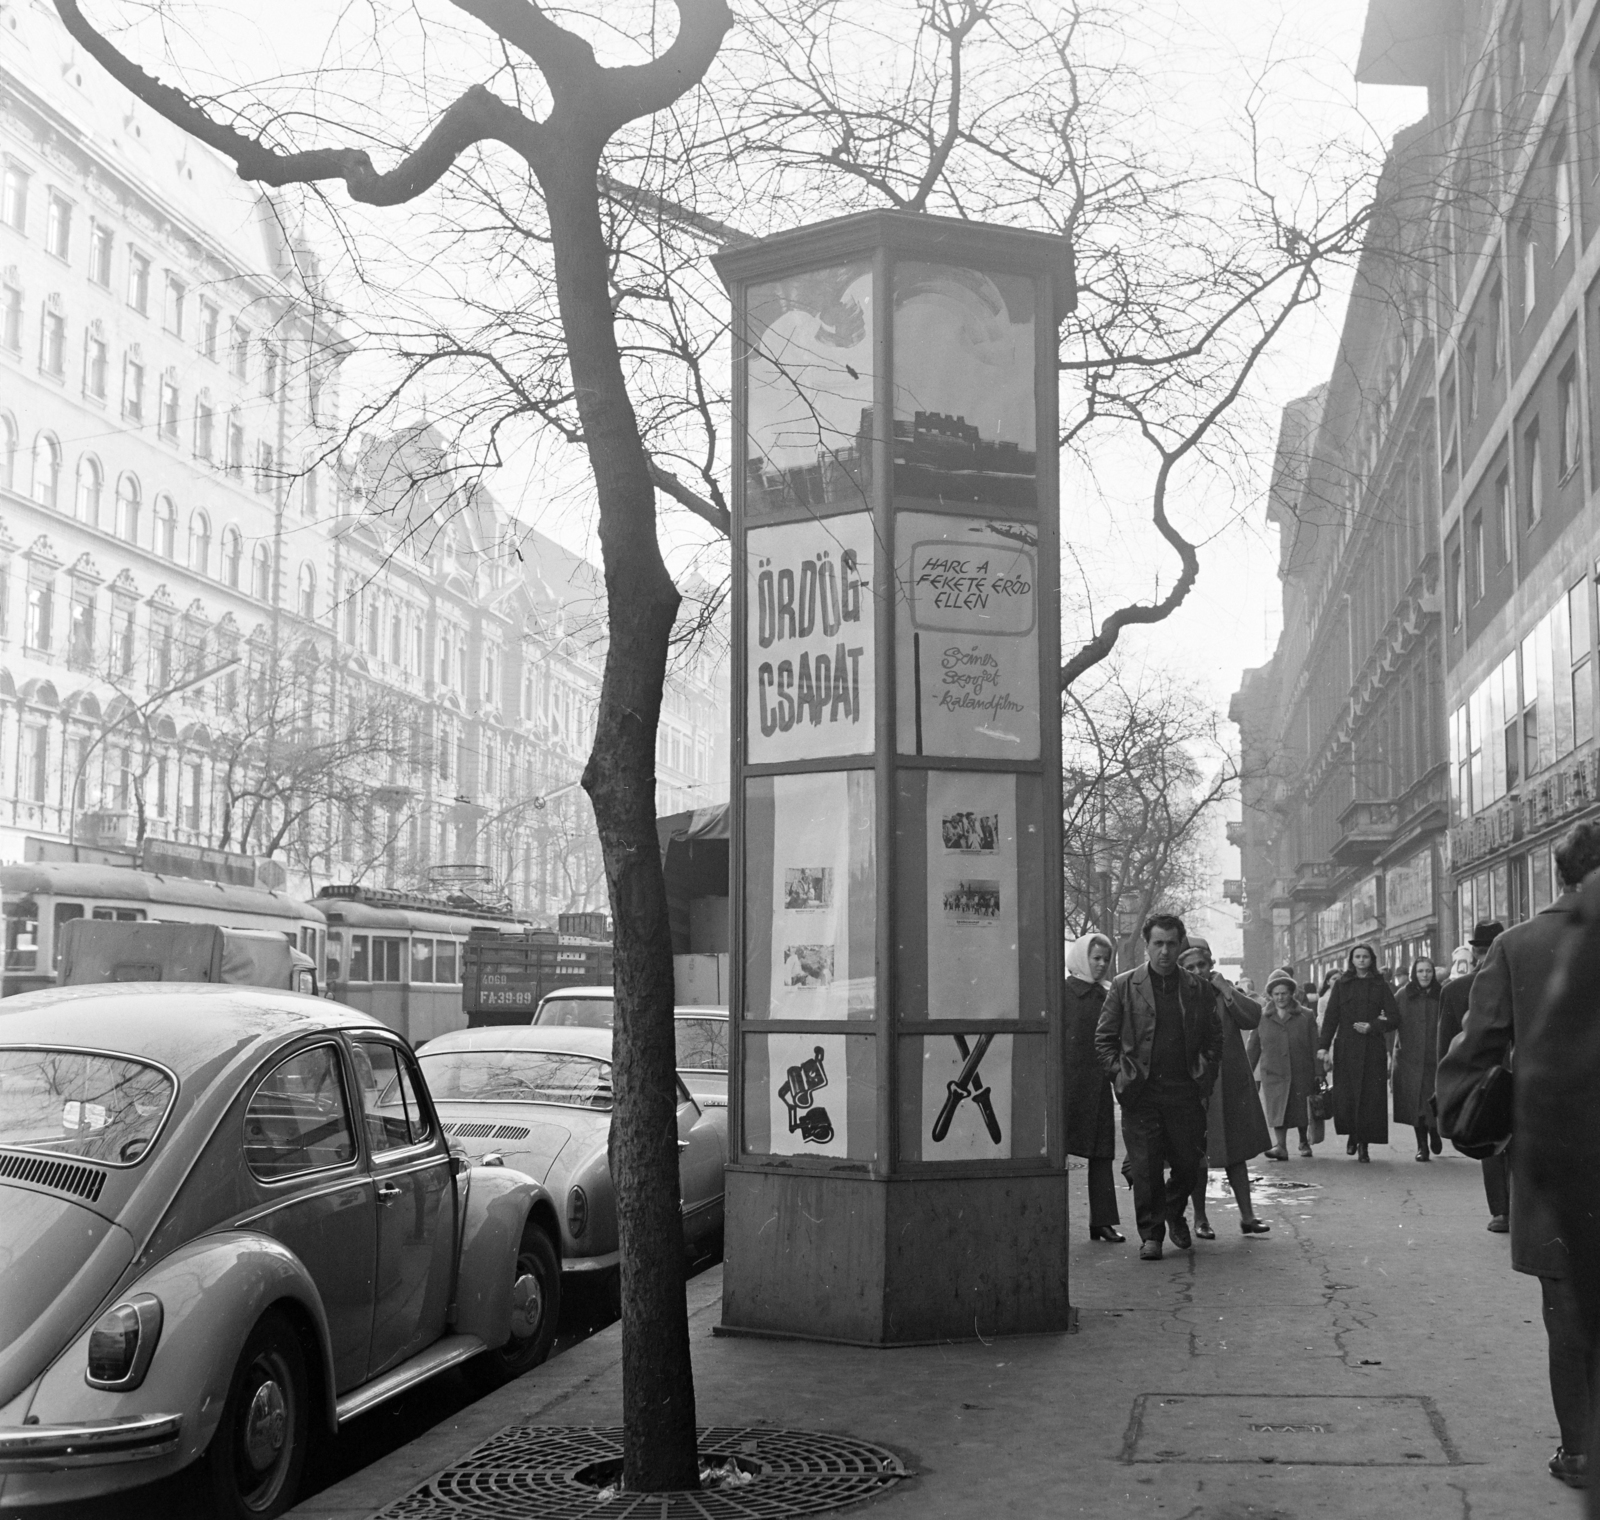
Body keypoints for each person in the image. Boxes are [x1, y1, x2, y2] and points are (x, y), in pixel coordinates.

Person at [1438, 821, 1600, 1492]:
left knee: (1567, 1310)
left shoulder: (1517, 946)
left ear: (1560, 876)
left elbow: (1470, 1062)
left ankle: (1581, 1452)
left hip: (1556, 1165)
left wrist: (1480, 1115)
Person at [1095, 913, 1225, 1262]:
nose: (1164, 951)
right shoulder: (1125, 986)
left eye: (1171, 944)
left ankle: (1172, 1208)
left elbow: (1214, 1037)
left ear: (1180, 945)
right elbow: (1104, 1039)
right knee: (1146, 1166)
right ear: (1146, 945)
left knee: (1188, 1162)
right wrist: (1120, 1075)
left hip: (1185, 1091)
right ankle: (1151, 1236)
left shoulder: (1197, 988)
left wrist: (1205, 1073)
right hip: (1142, 1092)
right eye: (1158, 944)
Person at [1178, 938, 1271, 1238]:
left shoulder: (1224, 992)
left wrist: (1227, 990)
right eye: (1189, 966)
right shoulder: (1178, 996)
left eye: (1201, 965)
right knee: (1198, 1155)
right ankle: (1200, 1219)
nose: (1197, 971)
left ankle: (1248, 1216)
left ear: (1211, 965)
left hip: (1229, 1084)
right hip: (1196, 1085)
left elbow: (1253, 1017)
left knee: (1236, 1153)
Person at [1439, 920, 1508, 1229]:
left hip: (1490, 1076)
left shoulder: (1457, 989)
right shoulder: (1457, 989)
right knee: (1506, 1143)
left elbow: (1446, 1046)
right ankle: (1508, 1211)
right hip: (1506, 1073)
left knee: (1495, 1141)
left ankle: (1503, 1211)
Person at [1064, 932, 1123, 1243]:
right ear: (1081, 958)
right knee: (1057, 1155)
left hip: (1098, 1085)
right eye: (1095, 958)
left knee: (1101, 1155)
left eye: (1105, 959)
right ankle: (1055, 1220)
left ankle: (1101, 1221)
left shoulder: (1109, 994)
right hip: (1066, 1085)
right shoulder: (1062, 992)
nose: (1101, 964)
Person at [1317, 943, 1399, 1162]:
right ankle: (1352, 1134)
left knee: (1370, 1098)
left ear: (1371, 960)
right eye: (1357, 957)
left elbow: (1393, 1017)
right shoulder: (1342, 985)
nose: (1362, 960)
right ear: (1351, 961)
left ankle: (1364, 1145)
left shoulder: (1380, 984)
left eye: (1365, 957)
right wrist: (1323, 1046)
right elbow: (1331, 1017)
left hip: (1372, 1048)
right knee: (1348, 1095)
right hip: (1347, 1047)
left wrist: (1373, 1026)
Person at [1251, 966, 1320, 1159]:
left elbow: (1315, 1045)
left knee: (1301, 1108)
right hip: (1273, 1071)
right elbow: (1254, 1046)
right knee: (1277, 1109)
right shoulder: (1261, 1017)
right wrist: (1248, 1070)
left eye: (1284, 993)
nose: (1280, 998)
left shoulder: (1305, 1015)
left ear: (1292, 994)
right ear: (1270, 995)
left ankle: (1304, 1142)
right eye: (1276, 994)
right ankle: (1280, 1146)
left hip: (1300, 1069)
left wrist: (1319, 1072)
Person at [1392, 957, 1444, 1162]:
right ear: (1414, 973)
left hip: (1435, 1056)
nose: (1425, 975)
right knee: (1416, 1104)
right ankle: (1422, 1145)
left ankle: (1434, 1132)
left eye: (1428, 971)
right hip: (1410, 1058)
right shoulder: (1403, 995)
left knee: (1433, 1101)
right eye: (1421, 971)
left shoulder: (1442, 994)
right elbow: (1391, 1021)